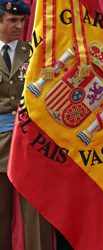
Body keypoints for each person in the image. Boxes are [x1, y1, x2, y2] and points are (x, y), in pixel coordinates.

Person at [0, 1, 53, 249]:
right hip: (0, 141)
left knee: (35, 212)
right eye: (12, 21)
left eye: (21, 21)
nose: (19, 26)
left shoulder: (32, 53)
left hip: (28, 141)